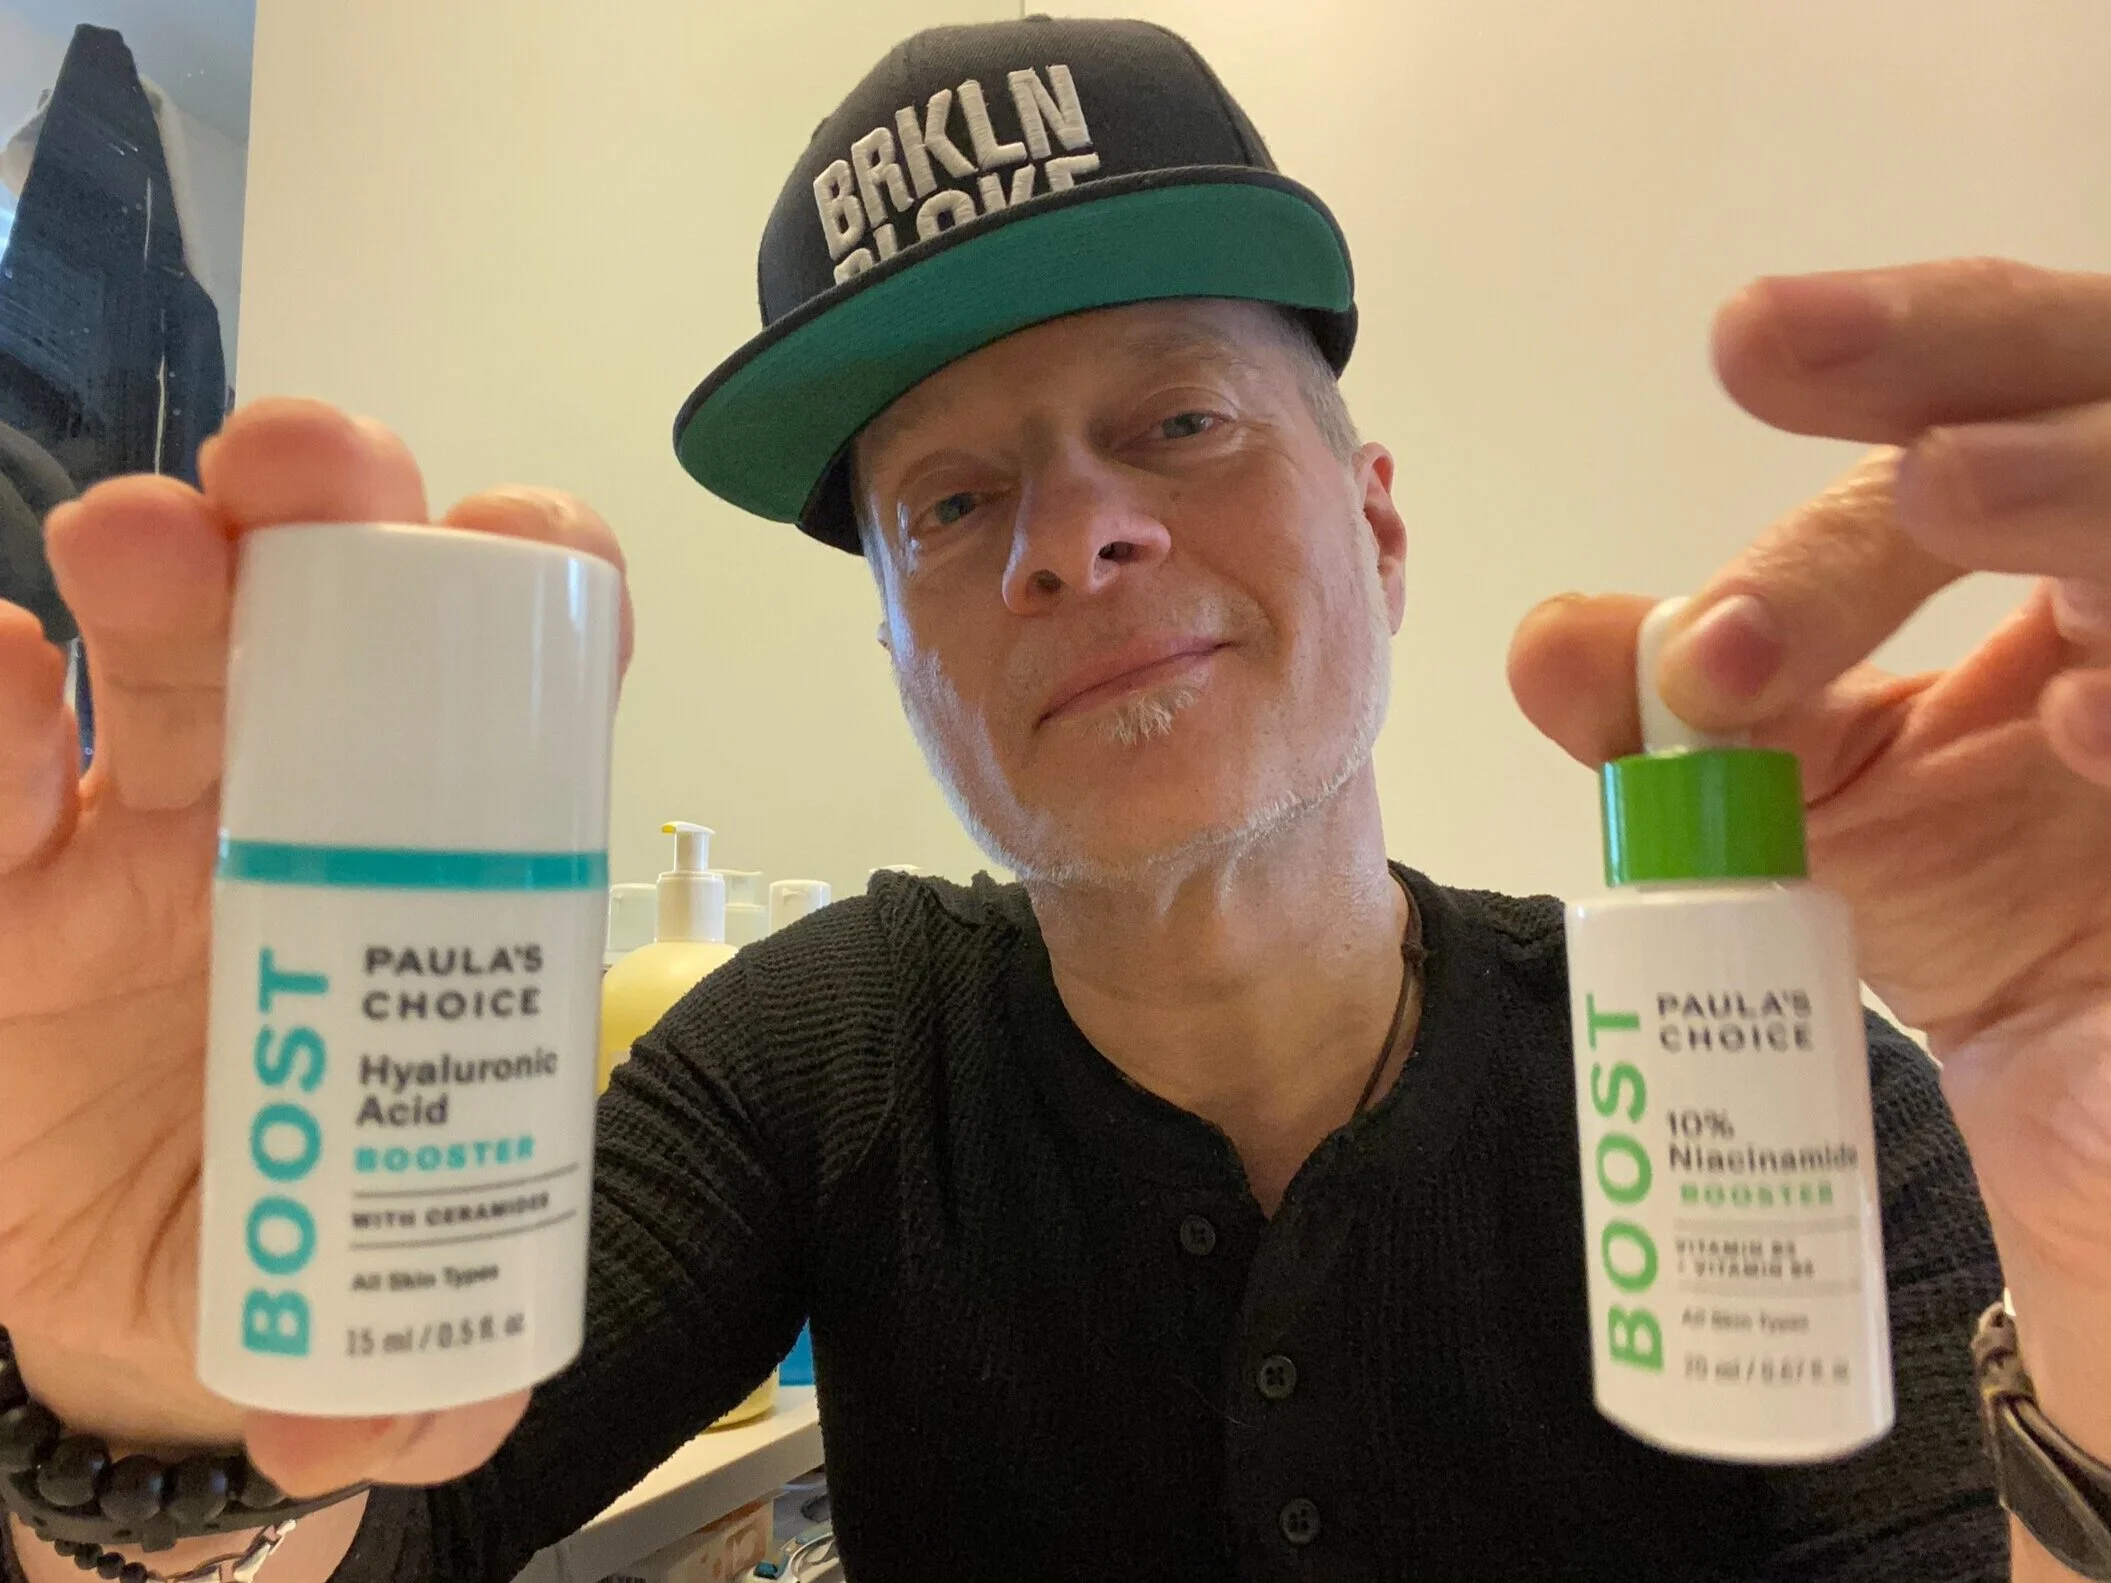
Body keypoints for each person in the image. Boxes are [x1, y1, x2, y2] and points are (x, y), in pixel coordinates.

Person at [1, 15, 2108, 1582]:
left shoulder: (1766, 1089)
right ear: (903, 650)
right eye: (947, 500)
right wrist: (157, 1419)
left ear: (1376, 528)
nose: (1070, 535)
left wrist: (2093, 1251)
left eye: (1179, 420)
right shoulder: (817, 1054)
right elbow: (400, 1524)